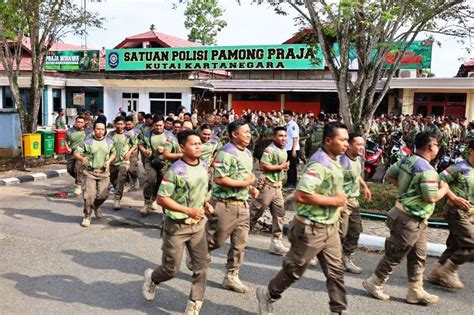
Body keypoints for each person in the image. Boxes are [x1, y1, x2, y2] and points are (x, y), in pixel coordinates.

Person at [256, 122, 349, 314]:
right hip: (311, 228)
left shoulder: (335, 159)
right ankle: (268, 294)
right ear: (328, 140)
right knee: (294, 270)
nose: (346, 144)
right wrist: (335, 201)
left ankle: (338, 309)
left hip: (330, 227)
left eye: (347, 140)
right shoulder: (319, 163)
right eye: (342, 140)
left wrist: (339, 204)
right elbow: (302, 195)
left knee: (336, 272)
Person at [363, 131, 449, 305]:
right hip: (408, 219)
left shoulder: (407, 160)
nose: (438, 148)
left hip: (414, 218)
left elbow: (389, 175)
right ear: (430, 146)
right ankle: (374, 282)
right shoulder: (427, 170)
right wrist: (445, 189)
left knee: (419, 254)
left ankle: (415, 290)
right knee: (395, 254)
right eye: (437, 145)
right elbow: (431, 197)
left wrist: (405, 189)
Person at [141, 130, 213, 314]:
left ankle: (194, 303)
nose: (198, 146)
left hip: (197, 225)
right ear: (182, 147)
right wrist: (188, 210)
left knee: (201, 266)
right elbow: (162, 199)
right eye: (193, 143)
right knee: (170, 270)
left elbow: (199, 190)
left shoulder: (204, 166)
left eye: (199, 143)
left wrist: (205, 203)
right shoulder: (176, 170)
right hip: (177, 226)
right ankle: (153, 279)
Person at [206, 120, 258, 294]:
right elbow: (220, 179)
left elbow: (244, 175)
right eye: (246, 132)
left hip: (242, 205)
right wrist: (247, 182)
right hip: (225, 204)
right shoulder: (226, 152)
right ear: (235, 134)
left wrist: (251, 188)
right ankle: (198, 251)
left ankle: (231, 275)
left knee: (240, 243)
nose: (249, 135)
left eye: (250, 131)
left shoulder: (248, 153)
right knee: (217, 240)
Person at [428, 139, 474, 289]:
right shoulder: (459, 167)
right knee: (471, 243)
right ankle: (449, 271)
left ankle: (436, 273)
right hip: (455, 211)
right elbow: (437, 180)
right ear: (472, 151)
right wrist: (454, 197)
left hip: (470, 214)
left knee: (455, 244)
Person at [250, 126, 290, 255]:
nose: (283, 138)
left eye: (285, 136)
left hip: (277, 187)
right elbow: (263, 166)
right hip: (267, 186)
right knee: (255, 212)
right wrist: (281, 166)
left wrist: (283, 169)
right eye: (280, 136)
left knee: (279, 214)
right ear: (274, 137)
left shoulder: (283, 150)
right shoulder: (270, 150)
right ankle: (241, 235)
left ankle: (276, 242)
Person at [338, 133, 372, 274]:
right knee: (341, 233)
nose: (362, 147)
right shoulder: (341, 162)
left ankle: (346, 258)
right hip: (343, 202)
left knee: (355, 230)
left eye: (363, 144)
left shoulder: (357, 160)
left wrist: (365, 187)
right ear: (349, 145)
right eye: (359, 144)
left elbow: (356, 175)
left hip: (354, 201)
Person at [74, 121, 116, 228]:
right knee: (89, 195)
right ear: (94, 130)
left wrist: (108, 161)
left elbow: (114, 153)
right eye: (98, 129)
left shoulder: (109, 142)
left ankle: (97, 206)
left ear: (105, 130)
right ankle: (87, 215)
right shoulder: (88, 142)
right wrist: (81, 158)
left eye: (102, 129)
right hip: (90, 172)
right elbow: (76, 152)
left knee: (104, 194)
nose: (100, 131)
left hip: (104, 172)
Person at [138, 116, 167, 216]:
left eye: (160, 125)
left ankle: (154, 199)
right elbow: (140, 144)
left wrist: (165, 150)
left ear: (164, 125)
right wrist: (145, 151)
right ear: (153, 125)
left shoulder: (169, 136)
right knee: (151, 179)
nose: (158, 128)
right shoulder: (147, 134)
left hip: (164, 163)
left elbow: (176, 150)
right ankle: (146, 202)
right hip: (150, 161)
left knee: (161, 182)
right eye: (156, 125)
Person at [108, 116, 136, 210]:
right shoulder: (110, 135)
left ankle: (117, 199)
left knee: (121, 178)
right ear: (115, 124)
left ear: (124, 124)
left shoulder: (129, 135)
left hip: (124, 161)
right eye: (118, 124)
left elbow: (135, 144)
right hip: (113, 162)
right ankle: (119, 189)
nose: (120, 126)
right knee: (114, 180)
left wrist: (129, 153)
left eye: (121, 124)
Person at [65, 116, 91, 195]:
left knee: (77, 168)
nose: (79, 123)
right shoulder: (70, 131)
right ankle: (81, 178)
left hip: (81, 153)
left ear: (84, 123)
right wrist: (68, 148)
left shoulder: (87, 133)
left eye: (81, 122)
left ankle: (78, 186)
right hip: (72, 153)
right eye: (78, 122)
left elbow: (89, 144)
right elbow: (65, 140)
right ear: (75, 122)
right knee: (70, 170)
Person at [283, 110, 299, 189]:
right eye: (284, 116)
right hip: (288, 148)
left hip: (292, 148)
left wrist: (294, 149)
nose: (285, 118)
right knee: (290, 167)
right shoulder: (288, 125)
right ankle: (290, 182)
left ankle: (292, 183)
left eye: (287, 116)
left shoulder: (293, 125)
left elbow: (295, 137)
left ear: (291, 117)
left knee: (292, 166)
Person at [124, 116, 140, 191]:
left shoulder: (136, 132)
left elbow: (136, 144)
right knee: (124, 169)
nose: (128, 126)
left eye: (129, 124)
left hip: (133, 153)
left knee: (132, 169)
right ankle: (126, 183)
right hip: (124, 153)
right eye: (126, 124)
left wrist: (130, 152)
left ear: (133, 123)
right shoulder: (122, 131)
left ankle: (135, 180)